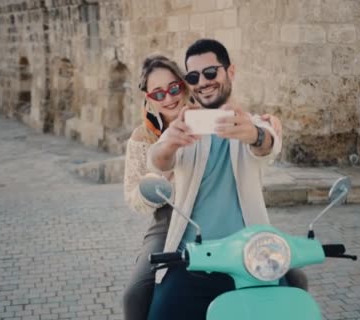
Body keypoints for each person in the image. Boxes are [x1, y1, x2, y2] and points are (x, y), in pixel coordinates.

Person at [121, 54, 285, 320]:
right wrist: (157, 185)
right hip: (169, 220)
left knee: (290, 273)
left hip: (217, 217)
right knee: (136, 293)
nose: (169, 98)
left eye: (174, 88)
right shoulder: (143, 138)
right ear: (149, 98)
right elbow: (133, 195)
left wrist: (265, 129)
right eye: (159, 94)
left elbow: (246, 125)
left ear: (184, 85)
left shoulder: (210, 117)